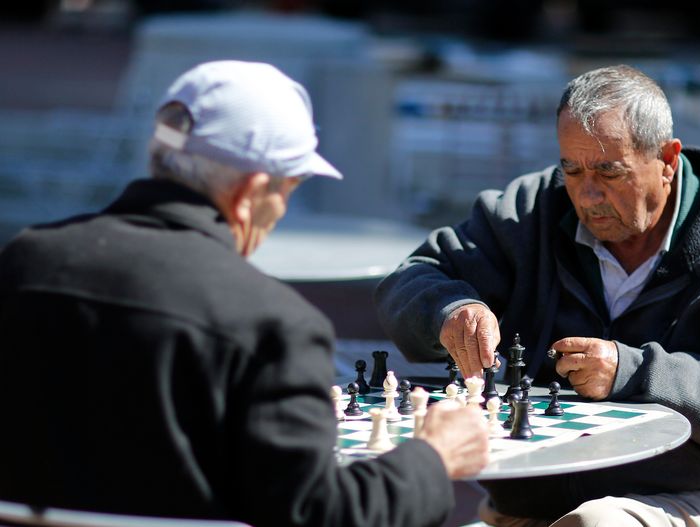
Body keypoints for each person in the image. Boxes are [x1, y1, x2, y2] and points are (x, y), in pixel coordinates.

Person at [0, 60, 488, 527]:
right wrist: (433, 458)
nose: (280, 213)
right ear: (251, 191)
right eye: (289, 189)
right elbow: (322, 516)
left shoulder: (24, 262)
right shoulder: (272, 324)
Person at [375, 64, 700, 526]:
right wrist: (452, 311)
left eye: (609, 172)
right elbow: (412, 277)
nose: (586, 196)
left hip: (689, 498)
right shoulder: (531, 212)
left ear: (667, 161)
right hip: (531, 505)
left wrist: (632, 372)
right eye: (571, 168)